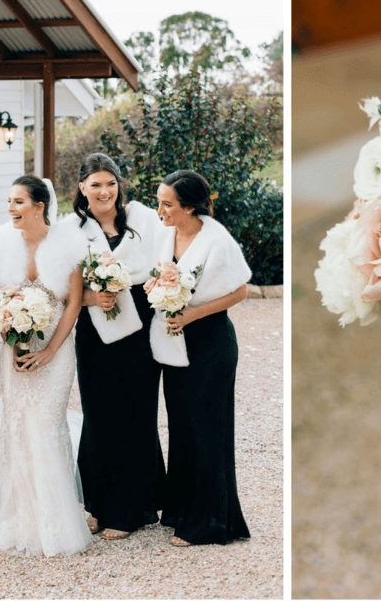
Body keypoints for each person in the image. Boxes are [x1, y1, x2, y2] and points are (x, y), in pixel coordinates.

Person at [59, 153, 166, 540]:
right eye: (95, 183)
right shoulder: (70, 229)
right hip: (96, 331)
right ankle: (99, 504)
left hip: (140, 326)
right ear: (82, 187)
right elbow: (59, 286)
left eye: (110, 183)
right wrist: (91, 298)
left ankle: (132, 508)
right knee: (100, 415)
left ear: (119, 185)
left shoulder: (143, 220)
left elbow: (164, 262)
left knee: (138, 413)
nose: (104, 191)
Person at [0, 175, 92, 556]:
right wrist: (10, 341)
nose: (11, 209)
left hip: (56, 350)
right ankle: (19, 520)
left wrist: (49, 352)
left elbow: (74, 305)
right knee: (16, 427)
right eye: (9, 202)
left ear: (39, 206)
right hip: (14, 351)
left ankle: (56, 523)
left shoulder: (68, 244)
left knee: (46, 426)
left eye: (18, 202)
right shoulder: (1, 244)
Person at [153, 170, 252, 546]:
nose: (160, 209)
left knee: (207, 429)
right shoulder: (168, 234)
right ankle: (181, 509)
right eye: (160, 201)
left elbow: (241, 291)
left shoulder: (217, 239)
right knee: (181, 426)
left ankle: (210, 522)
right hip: (175, 343)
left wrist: (192, 314)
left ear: (190, 207)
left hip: (210, 342)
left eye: (167, 204)